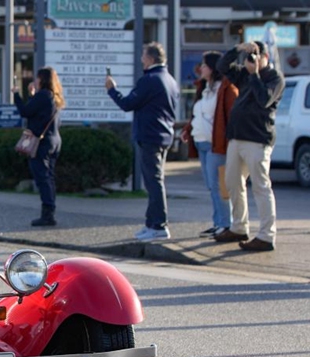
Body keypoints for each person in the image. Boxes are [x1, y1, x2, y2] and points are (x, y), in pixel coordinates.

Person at [214, 40, 285, 252]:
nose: (250, 61)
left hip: (257, 138)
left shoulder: (275, 78)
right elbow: (221, 67)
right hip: (237, 137)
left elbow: (264, 100)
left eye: (255, 56)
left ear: (266, 58)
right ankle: (239, 226)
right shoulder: (244, 74)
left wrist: (254, 74)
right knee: (232, 181)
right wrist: (238, 50)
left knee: (261, 186)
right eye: (249, 57)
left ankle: (266, 235)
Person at [106, 42, 179, 242]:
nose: (141, 59)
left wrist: (112, 90)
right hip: (164, 134)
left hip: (150, 135)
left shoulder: (150, 80)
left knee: (154, 181)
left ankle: (159, 225)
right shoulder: (170, 80)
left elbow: (128, 104)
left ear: (151, 59)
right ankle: (151, 223)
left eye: (143, 55)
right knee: (154, 180)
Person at [180, 51, 239, 238]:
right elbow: (197, 114)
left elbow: (230, 116)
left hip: (217, 145)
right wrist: (188, 129)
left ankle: (225, 223)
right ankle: (218, 223)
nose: (200, 68)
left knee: (219, 185)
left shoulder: (226, 88)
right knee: (210, 185)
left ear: (213, 68)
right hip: (201, 143)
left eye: (204, 65)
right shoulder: (203, 87)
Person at [12, 67, 65, 227]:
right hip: (54, 140)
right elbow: (40, 112)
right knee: (49, 177)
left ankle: (47, 215)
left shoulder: (43, 95)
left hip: (42, 143)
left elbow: (25, 111)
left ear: (42, 79)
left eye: (37, 78)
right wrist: (32, 95)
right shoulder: (54, 97)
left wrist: (16, 94)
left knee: (42, 178)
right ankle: (50, 211)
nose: (35, 80)